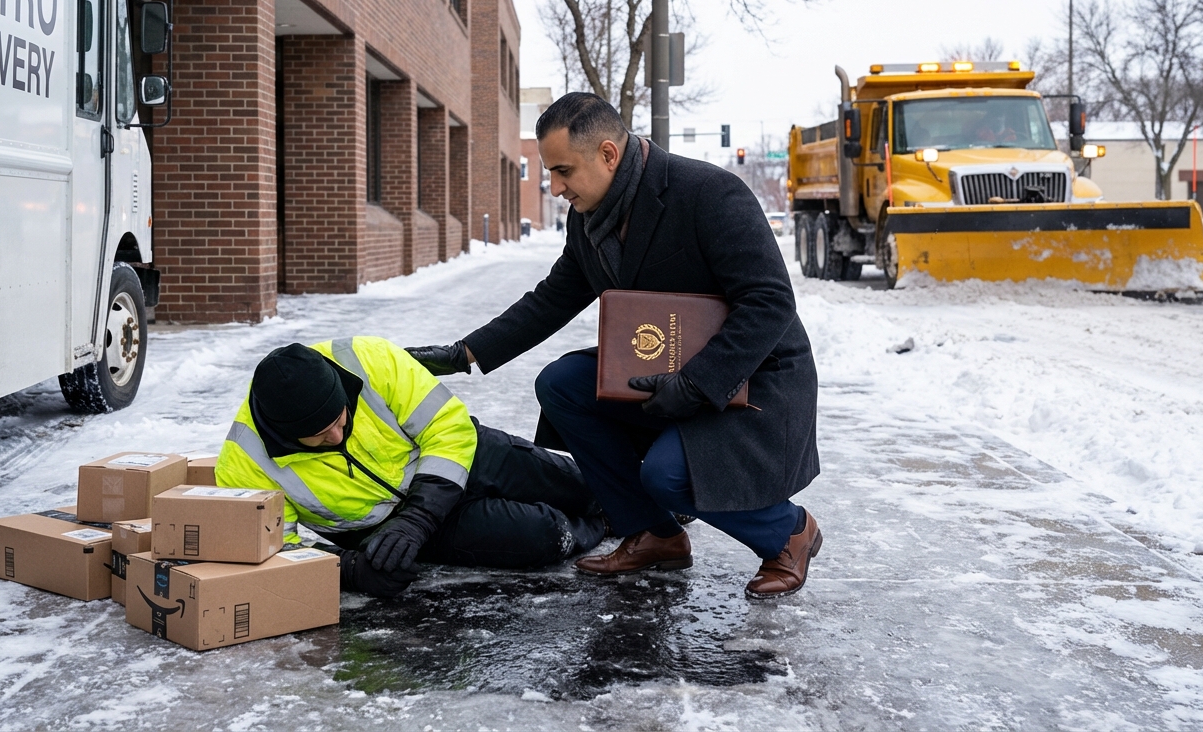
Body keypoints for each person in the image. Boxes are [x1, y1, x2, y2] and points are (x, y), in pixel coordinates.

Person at [406, 93, 823, 600]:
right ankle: (656, 534)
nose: (554, 187)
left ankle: (788, 531)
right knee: (560, 384)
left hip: (752, 374)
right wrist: (464, 353)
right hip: (666, 366)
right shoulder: (590, 217)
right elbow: (554, 298)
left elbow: (770, 302)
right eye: (549, 174)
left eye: (563, 171)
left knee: (666, 475)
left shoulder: (709, 193)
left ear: (607, 154)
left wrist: (695, 384)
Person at [216, 337, 605, 597]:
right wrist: (348, 570)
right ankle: (600, 526)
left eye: (340, 419)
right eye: (318, 435)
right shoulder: (243, 464)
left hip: (459, 455)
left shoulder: (369, 360)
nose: (336, 437)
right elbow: (273, 551)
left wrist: (419, 515)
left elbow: (448, 428)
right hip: (391, 527)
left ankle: (619, 508)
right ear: (282, 433)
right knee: (542, 535)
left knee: (584, 485)